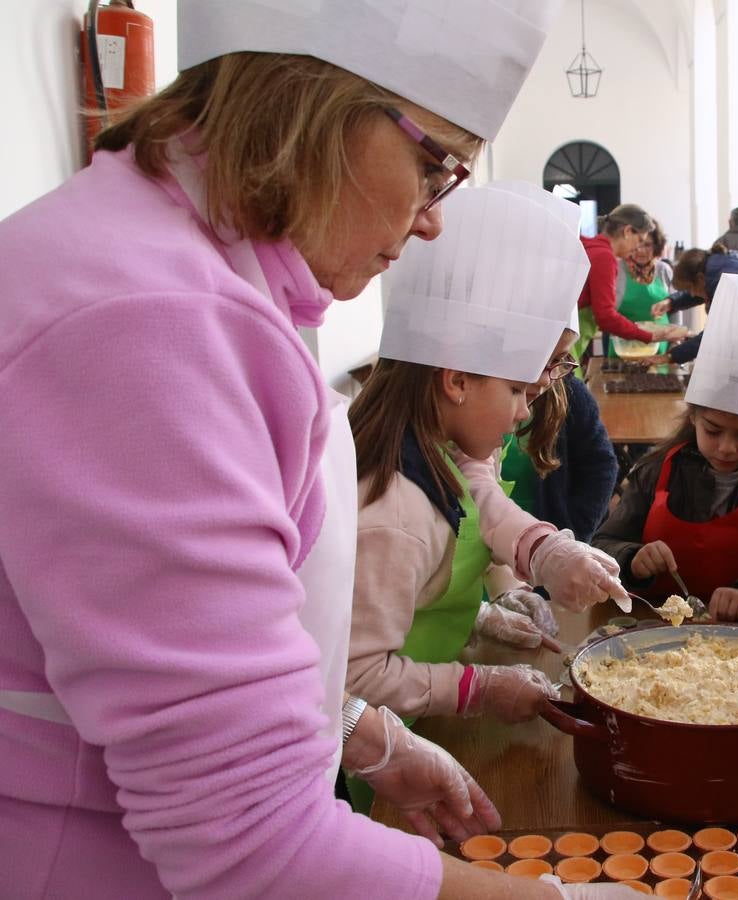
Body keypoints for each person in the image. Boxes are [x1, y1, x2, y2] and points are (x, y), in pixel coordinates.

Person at [0, 1, 646, 896]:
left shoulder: (207, 275)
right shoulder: (152, 322)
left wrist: (357, 733)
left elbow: (188, 660)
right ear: (312, 101)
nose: (430, 220)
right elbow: (251, 848)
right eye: (431, 165)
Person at [343, 183, 597, 808]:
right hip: (390, 762)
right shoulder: (394, 511)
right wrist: (480, 688)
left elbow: (418, 585)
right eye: (517, 391)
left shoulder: (443, 449)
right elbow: (354, 678)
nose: (526, 407)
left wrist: (488, 609)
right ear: (455, 380)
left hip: (426, 718)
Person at [594, 274, 738, 622]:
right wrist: (632, 558)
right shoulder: (655, 471)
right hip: (655, 629)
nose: (727, 447)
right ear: (693, 418)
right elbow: (603, 546)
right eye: (713, 430)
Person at [500, 323, 619, 544]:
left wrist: (575, 533)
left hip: (546, 542)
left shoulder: (573, 397)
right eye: (536, 360)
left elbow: (601, 466)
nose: (546, 379)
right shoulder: (475, 405)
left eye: (558, 360)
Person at [574, 204, 685, 359]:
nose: (637, 248)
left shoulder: (590, 246)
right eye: (639, 240)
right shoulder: (604, 257)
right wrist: (649, 336)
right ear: (627, 231)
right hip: (568, 345)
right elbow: (605, 317)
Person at [659, 242, 738, 364]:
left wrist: (671, 356)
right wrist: (671, 302)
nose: (692, 294)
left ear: (700, 278)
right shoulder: (715, 270)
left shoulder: (726, 283)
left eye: (689, 288)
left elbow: (714, 335)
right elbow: (702, 291)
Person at [611, 219, 675, 356]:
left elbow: (675, 308)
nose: (641, 250)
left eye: (647, 245)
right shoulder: (616, 268)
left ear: (657, 246)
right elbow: (608, 311)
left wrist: (675, 341)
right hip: (623, 345)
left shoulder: (664, 270)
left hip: (659, 345)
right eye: (638, 244)